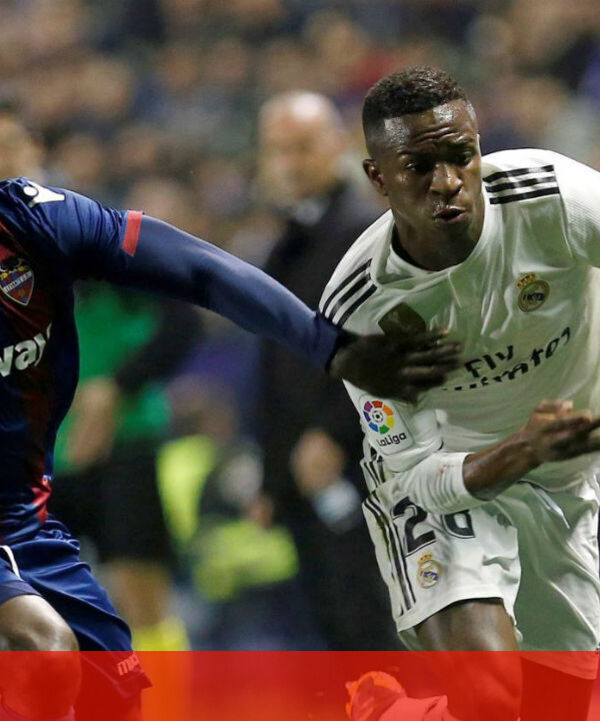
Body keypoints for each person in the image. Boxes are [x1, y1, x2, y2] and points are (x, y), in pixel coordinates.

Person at [0, 76, 460, 721]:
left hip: (31, 530)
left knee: (109, 700)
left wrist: (335, 348)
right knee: (41, 650)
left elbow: (199, 269)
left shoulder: (34, 220)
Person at [329, 67, 600, 721]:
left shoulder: (552, 199)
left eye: (461, 156)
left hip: (562, 485)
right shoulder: (359, 309)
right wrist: (518, 450)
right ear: (378, 177)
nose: (447, 181)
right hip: (449, 482)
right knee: (490, 700)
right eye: (418, 166)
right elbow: (417, 478)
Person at [0, 100, 196, 653]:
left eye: (9, 144)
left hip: (121, 439)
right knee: (37, 610)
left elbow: (180, 320)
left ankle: (168, 700)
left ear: (36, 150)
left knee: (140, 592)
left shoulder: (87, 227)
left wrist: (114, 389)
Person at [254, 91, 399, 650]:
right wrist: (271, 476)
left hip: (362, 463)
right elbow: (275, 362)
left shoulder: (368, 233)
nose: (290, 163)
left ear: (338, 145)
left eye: (303, 147)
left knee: (372, 613)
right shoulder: (285, 244)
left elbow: (384, 344)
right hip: (301, 474)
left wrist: (334, 433)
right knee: (330, 625)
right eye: (278, 150)